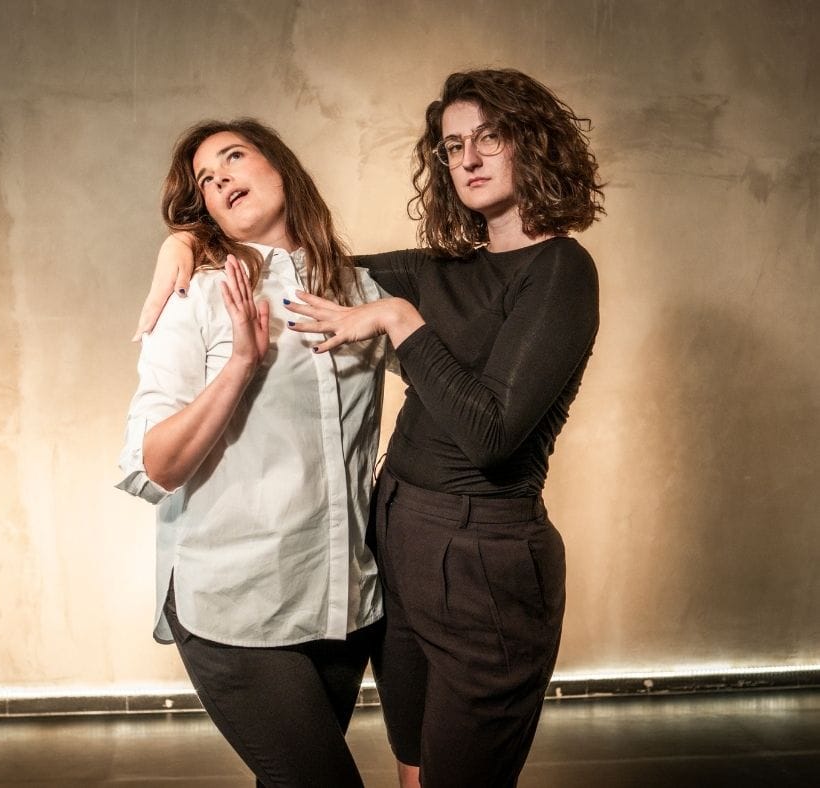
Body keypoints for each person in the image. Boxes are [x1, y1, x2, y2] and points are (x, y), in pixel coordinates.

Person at [136, 68, 603, 788]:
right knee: (410, 767)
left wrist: (399, 318)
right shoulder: (436, 271)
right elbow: (299, 267)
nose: (469, 157)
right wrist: (185, 240)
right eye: (453, 145)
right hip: (392, 549)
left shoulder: (559, 268)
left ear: (532, 141)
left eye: (489, 137)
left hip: (475, 555)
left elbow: (492, 435)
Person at [117, 119, 389, 788]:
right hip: (233, 602)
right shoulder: (196, 295)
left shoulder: (364, 291)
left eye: (233, 157)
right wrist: (242, 362)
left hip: (342, 600)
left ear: (281, 167)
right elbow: (156, 464)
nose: (221, 179)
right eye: (206, 180)